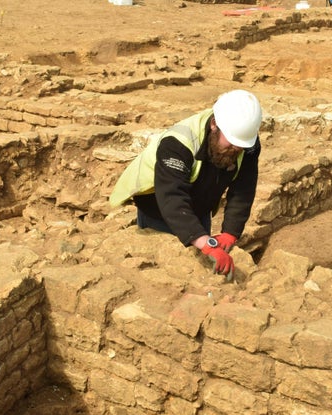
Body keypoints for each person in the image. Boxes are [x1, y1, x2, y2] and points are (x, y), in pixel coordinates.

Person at [109, 89, 263, 280]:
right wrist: (204, 242)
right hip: (159, 207)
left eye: (240, 146)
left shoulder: (246, 143)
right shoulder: (178, 143)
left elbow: (243, 187)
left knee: (201, 272)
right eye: (231, 143)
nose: (236, 149)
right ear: (214, 125)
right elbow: (171, 197)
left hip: (199, 206)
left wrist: (230, 232)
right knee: (163, 274)